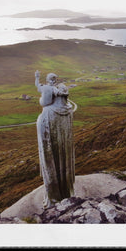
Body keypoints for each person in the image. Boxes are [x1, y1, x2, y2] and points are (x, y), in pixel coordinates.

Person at [35, 70, 74, 208]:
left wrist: (38, 81)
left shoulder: (48, 110)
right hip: (60, 137)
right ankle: (64, 191)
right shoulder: (68, 111)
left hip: (48, 123)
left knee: (50, 157)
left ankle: (53, 196)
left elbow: (44, 102)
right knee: (62, 157)